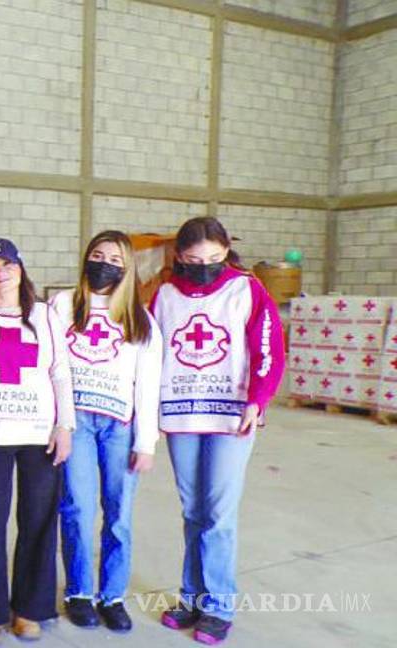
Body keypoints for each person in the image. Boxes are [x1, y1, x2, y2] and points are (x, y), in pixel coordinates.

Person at [151, 217, 284, 645]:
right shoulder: (166, 294)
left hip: (231, 417)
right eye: (193, 259)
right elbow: (150, 353)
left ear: (226, 252)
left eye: (213, 258)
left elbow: (268, 348)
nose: (204, 266)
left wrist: (257, 400)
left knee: (219, 514)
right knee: (193, 512)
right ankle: (192, 596)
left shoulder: (247, 289)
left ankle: (219, 606)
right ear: (179, 257)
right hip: (182, 415)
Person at [0, 238, 74, 646]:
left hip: (39, 435)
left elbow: (61, 373)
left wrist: (65, 427)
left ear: (21, 269)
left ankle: (29, 608)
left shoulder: (44, 316)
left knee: (39, 521)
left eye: (6, 264)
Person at [51, 231, 162, 633]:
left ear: (126, 268)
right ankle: (79, 591)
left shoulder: (140, 317)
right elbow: (50, 365)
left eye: (115, 259)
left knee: (119, 516)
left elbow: (149, 383)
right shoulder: (63, 305)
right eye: (97, 255)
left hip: (120, 427)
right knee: (76, 509)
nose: (104, 264)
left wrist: (146, 441)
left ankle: (111, 595)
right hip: (76, 423)